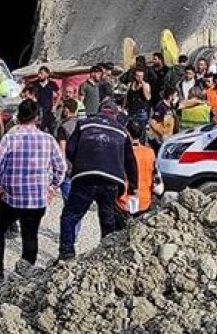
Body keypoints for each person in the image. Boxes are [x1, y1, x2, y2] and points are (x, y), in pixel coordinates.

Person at [0, 100, 66, 279]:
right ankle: (26, 272)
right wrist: (53, 187)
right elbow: (61, 166)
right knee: (30, 235)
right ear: (37, 118)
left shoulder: (10, 138)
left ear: (18, 117)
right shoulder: (48, 139)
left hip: (11, 197)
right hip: (37, 199)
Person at [59, 100, 137, 260]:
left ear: (99, 111)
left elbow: (70, 149)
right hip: (111, 180)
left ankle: (66, 254)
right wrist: (133, 187)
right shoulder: (122, 132)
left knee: (70, 215)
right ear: (115, 115)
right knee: (107, 217)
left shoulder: (84, 124)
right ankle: (106, 254)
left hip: (85, 177)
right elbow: (130, 161)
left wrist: (80, 163)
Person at [118, 119, 163, 218]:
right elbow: (156, 178)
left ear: (127, 133)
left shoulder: (121, 153)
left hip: (124, 201)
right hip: (144, 201)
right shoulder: (150, 152)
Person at [55, 97, 81, 199]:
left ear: (66, 110)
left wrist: (61, 167)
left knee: (68, 197)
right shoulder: (82, 124)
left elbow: (62, 149)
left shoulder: (64, 127)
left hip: (69, 166)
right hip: (80, 165)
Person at [32, 66, 60, 133]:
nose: (39, 75)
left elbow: (60, 94)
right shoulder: (34, 84)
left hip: (49, 111)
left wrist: (55, 105)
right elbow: (23, 93)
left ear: (47, 74)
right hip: (39, 111)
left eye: (41, 73)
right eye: (39, 73)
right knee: (39, 130)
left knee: (52, 130)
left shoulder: (52, 84)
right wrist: (32, 99)